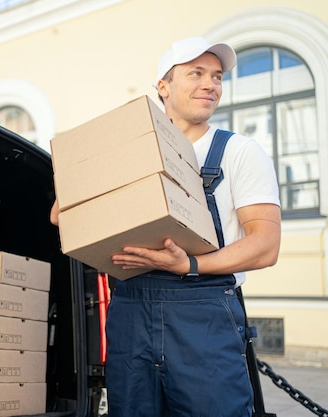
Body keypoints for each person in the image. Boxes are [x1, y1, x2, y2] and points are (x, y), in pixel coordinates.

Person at [50, 36, 281, 417]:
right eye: (196, 73)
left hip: (202, 317)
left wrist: (189, 264)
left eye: (217, 77)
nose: (210, 84)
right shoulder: (126, 148)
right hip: (129, 313)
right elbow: (62, 216)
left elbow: (265, 245)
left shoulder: (238, 152)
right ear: (163, 86)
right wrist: (92, 167)